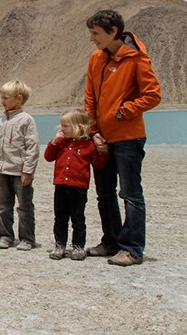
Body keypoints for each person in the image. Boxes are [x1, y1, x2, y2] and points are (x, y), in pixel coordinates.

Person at [83, 10, 161, 266]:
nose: (93, 38)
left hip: (128, 136)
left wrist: (122, 112)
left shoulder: (136, 58)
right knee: (104, 193)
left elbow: (152, 95)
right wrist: (94, 131)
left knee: (129, 193)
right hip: (102, 138)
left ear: (113, 30)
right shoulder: (96, 58)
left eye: (96, 33)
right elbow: (90, 97)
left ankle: (132, 249)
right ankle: (111, 242)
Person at [44, 108, 109, 260]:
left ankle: (78, 246)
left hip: (78, 189)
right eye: (62, 125)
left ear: (78, 127)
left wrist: (103, 153)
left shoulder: (89, 145)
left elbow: (98, 164)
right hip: (60, 186)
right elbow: (48, 157)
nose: (62, 129)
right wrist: (53, 142)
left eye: (65, 126)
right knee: (60, 218)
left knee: (78, 219)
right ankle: (60, 245)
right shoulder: (61, 143)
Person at [0, 80, 39, 251]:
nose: (2, 101)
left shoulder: (27, 120)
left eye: (6, 98)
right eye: (1, 97)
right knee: (4, 207)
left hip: (20, 172)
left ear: (19, 99)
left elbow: (32, 147)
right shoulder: (1, 121)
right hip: (3, 171)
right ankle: (5, 236)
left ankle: (27, 239)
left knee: (24, 207)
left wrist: (28, 171)